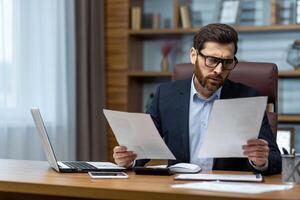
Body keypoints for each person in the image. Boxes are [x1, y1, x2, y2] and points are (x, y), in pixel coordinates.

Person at [113, 23, 281, 175]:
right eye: (212, 60)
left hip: (228, 190)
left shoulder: (248, 98)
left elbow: (275, 159)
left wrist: (261, 161)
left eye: (227, 62)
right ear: (193, 55)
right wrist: (129, 158)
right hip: (179, 188)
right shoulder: (165, 95)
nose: (219, 70)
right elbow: (143, 149)